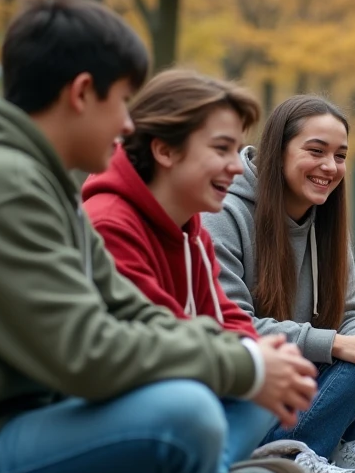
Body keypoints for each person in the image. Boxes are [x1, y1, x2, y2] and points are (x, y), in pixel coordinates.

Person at [0, 0, 316, 473]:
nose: (127, 122)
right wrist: (239, 364)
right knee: (189, 414)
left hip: (28, 433)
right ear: (81, 94)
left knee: (255, 381)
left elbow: (133, 312)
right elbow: (85, 353)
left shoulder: (45, 187)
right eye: (122, 100)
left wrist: (250, 361)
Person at [203, 95, 355, 473]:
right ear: (278, 150)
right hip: (247, 389)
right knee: (353, 355)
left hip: (299, 388)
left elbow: (352, 311)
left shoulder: (326, 221)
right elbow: (232, 324)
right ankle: (289, 456)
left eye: (340, 155)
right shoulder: (223, 213)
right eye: (316, 151)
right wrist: (335, 343)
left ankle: (333, 446)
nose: (330, 166)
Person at [83, 68, 262, 339]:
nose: (238, 167)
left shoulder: (192, 229)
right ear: (165, 150)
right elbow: (160, 338)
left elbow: (226, 316)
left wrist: (261, 356)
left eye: (236, 150)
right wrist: (255, 363)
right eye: (221, 149)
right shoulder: (109, 225)